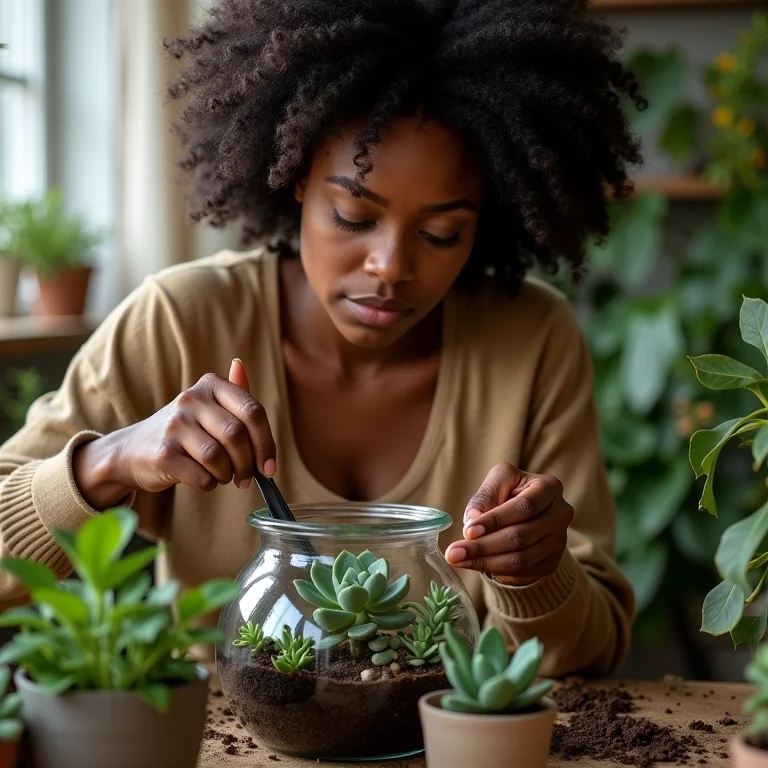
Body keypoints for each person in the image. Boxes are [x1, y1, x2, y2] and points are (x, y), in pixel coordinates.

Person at [0, 0, 642, 676]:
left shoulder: (532, 338)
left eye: (440, 233)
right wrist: (107, 462)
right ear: (299, 176)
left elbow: (591, 655)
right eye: (353, 215)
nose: (391, 266)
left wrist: (536, 573)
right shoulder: (182, 321)